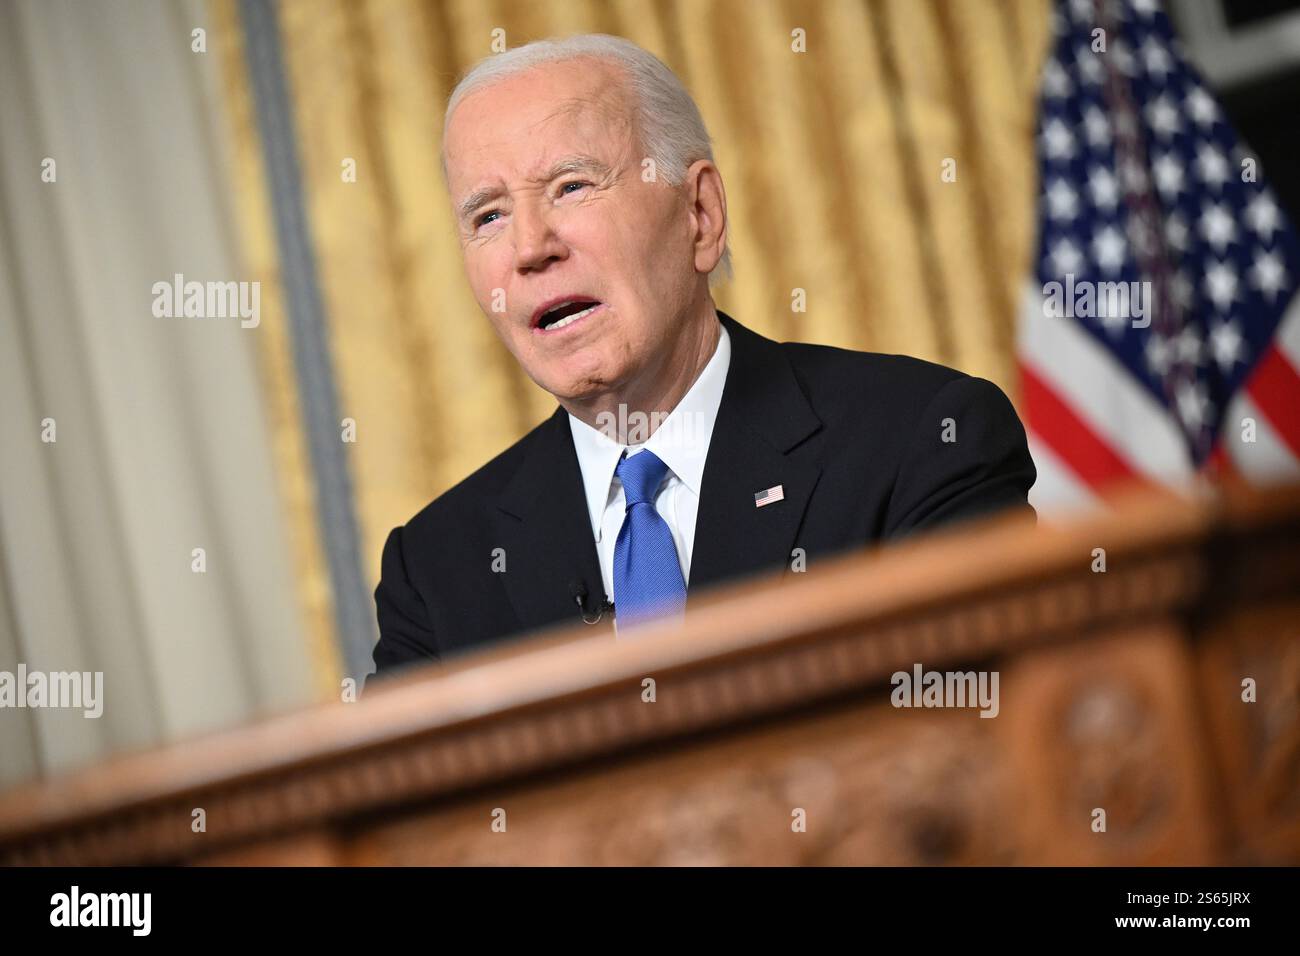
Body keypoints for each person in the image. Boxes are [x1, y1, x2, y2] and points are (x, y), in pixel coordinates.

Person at [369, 34, 1035, 680]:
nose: (529, 247)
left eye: (571, 187)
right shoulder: (434, 572)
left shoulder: (922, 442)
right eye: (488, 215)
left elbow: (981, 747)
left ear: (700, 213)